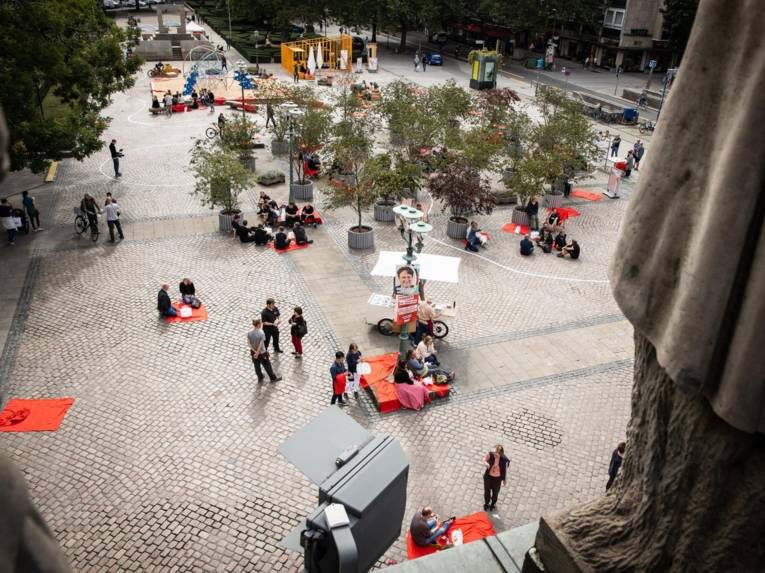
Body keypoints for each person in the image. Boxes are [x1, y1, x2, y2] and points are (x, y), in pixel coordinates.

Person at [483, 444, 510, 511]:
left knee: (495, 493)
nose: (494, 454)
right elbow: (484, 460)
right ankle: (486, 503)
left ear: (500, 454)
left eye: (496, 453)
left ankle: (493, 504)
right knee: (487, 492)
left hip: (497, 479)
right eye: (494, 452)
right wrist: (486, 464)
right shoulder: (490, 454)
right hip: (488, 476)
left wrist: (505, 480)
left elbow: (505, 470)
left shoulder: (504, 460)